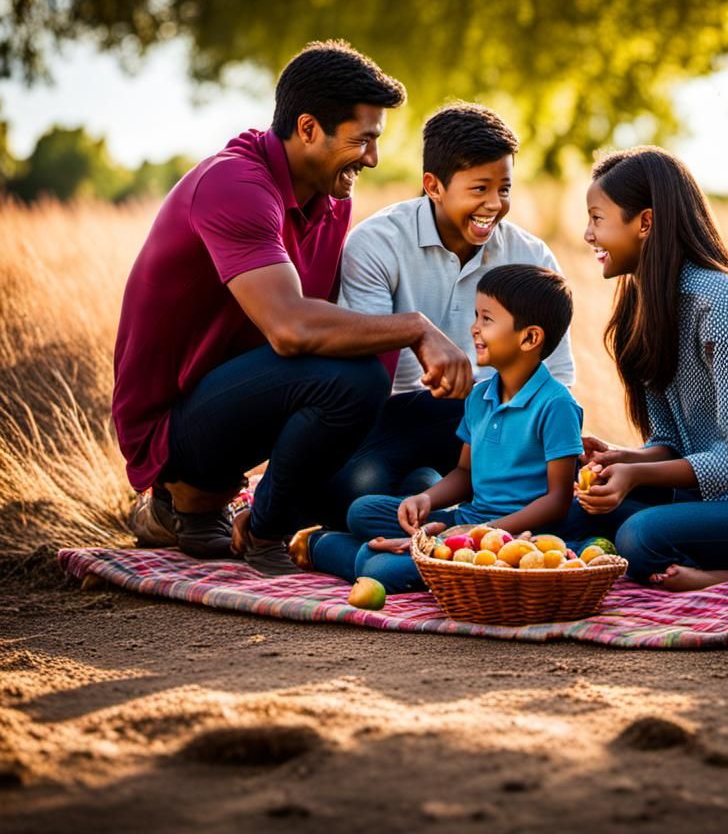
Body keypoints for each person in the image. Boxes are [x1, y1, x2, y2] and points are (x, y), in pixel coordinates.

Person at [114, 40, 474, 574]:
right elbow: (290, 328)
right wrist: (415, 329)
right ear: (308, 129)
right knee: (357, 378)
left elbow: (329, 324)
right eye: (363, 140)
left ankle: (212, 512)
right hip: (174, 427)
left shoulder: (331, 200)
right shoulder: (234, 186)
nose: (372, 157)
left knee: (428, 399)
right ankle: (242, 521)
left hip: (245, 398)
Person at [573, 147, 728, 593]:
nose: (588, 234)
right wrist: (620, 458)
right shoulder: (644, 308)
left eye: (597, 218)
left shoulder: (724, 307)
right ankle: (708, 564)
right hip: (705, 497)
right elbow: (671, 442)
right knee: (574, 507)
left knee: (638, 536)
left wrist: (636, 475)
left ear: (645, 223)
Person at [323, 102, 575, 522]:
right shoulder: (377, 243)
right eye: (479, 189)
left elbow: (558, 377)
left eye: (505, 189)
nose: (495, 204)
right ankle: (421, 493)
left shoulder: (531, 255)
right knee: (359, 491)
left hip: (500, 429)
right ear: (433, 186)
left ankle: (425, 500)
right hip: (397, 420)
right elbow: (361, 373)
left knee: (547, 486)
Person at [289, 264, 582, 591]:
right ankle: (396, 551)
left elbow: (558, 501)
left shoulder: (557, 406)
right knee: (363, 511)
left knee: (382, 571)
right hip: (467, 521)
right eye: (476, 315)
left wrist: (480, 534)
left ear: (529, 337)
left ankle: (327, 548)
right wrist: (425, 499)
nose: (474, 328)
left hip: (516, 538)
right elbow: (464, 474)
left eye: (487, 319)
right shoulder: (479, 397)